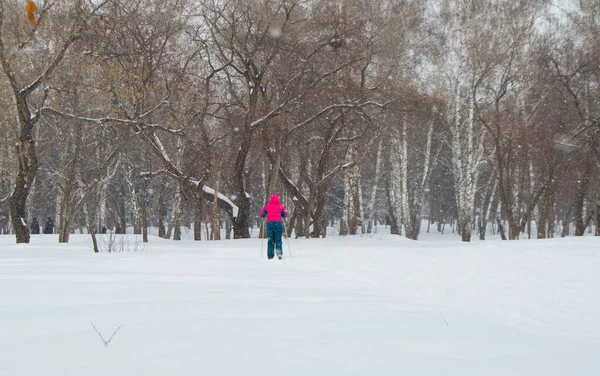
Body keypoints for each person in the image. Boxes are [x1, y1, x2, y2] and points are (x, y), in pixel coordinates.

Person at [260, 195, 288, 259]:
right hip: (278, 224)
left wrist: (265, 215)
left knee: (270, 240)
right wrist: (282, 215)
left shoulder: (267, 207)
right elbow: (285, 214)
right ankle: (279, 253)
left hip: (269, 224)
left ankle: (270, 255)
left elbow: (261, 214)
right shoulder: (280, 207)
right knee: (278, 239)